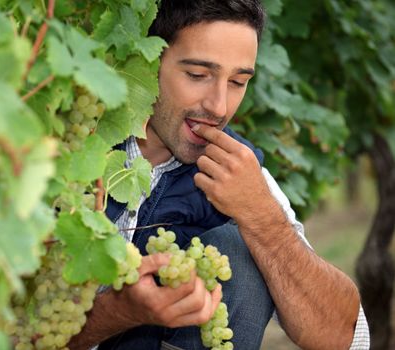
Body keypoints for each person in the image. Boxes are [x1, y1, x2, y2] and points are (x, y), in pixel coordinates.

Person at [68, 0, 370, 349]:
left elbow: (347, 340)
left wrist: (263, 217)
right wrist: (117, 312)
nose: (219, 106)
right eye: (198, 75)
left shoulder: (236, 169)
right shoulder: (63, 157)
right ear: (143, 63)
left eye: (238, 82)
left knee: (238, 248)